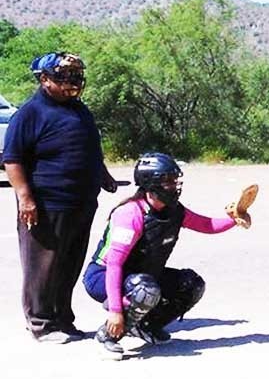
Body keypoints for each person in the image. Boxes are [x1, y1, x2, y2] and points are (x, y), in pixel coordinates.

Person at [81, 152, 253, 360]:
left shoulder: (174, 211)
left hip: (141, 275)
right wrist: (116, 311)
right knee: (146, 290)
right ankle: (107, 336)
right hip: (103, 276)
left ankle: (146, 326)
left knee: (191, 284)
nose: (175, 186)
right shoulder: (131, 214)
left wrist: (234, 218)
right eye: (168, 181)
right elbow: (115, 265)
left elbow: (206, 225)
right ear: (150, 183)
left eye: (175, 180)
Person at [2, 52, 117, 344]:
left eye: (76, 77)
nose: (72, 83)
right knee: (43, 266)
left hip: (81, 202)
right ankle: (41, 324)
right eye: (64, 77)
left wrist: (103, 175)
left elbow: (90, 147)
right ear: (44, 80)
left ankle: (63, 319)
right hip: (46, 204)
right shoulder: (30, 113)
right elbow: (12, 159)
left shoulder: (80, 110)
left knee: (69, 264)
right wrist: (25, 199)